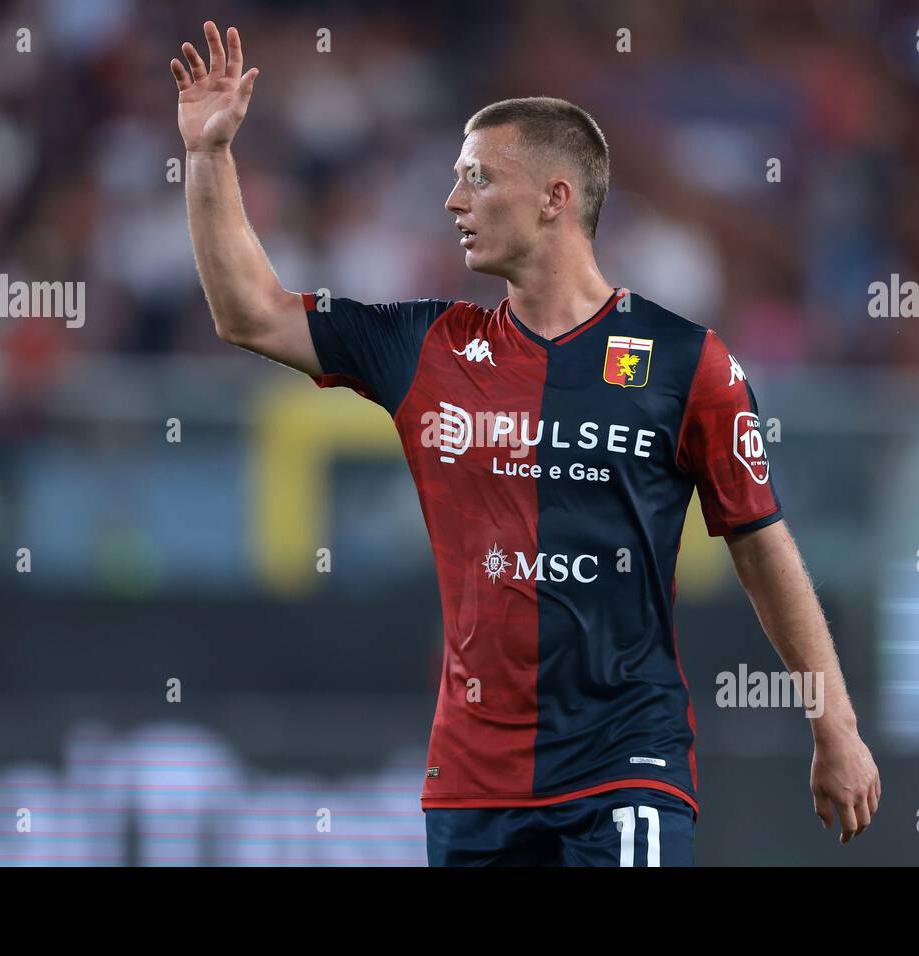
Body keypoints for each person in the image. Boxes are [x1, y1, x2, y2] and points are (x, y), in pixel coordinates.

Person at [172, 21, 880, 866]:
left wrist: (832, 720)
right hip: (472, 784)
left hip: (627, 764)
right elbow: (248, 312)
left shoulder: (688, 363)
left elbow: (763, 547)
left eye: (477, 177)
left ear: (555, 197)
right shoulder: (424, 345)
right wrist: (209, 156)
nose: (452, 200)